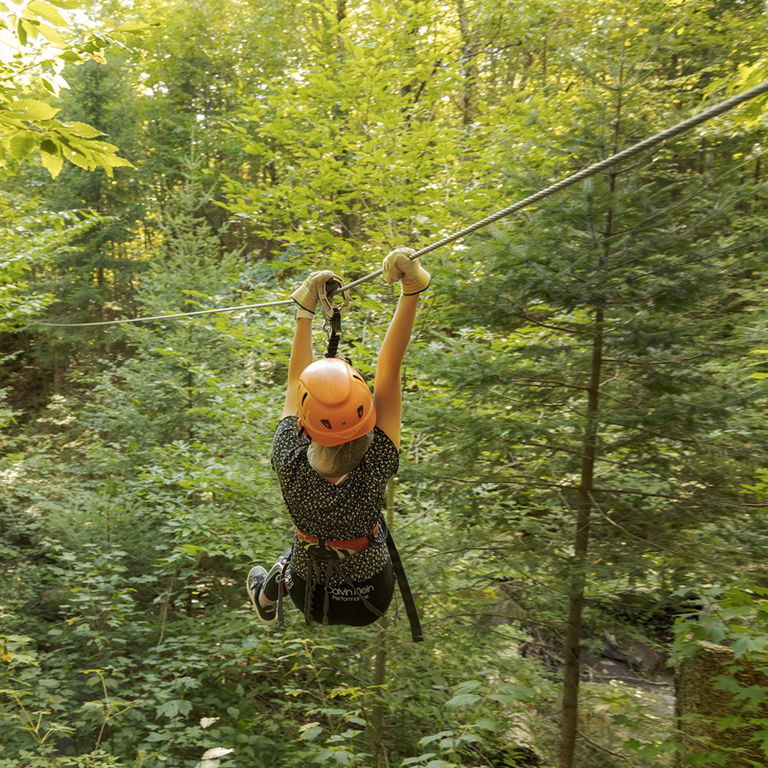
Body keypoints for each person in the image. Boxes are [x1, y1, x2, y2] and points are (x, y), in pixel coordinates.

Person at [246, 247, 430, 628]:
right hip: (369, 598)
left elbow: (297, 379)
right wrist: (412, 285)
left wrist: (304, 311)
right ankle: (273, 584)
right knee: (321, 534)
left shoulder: (289, 455)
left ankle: (270, 590)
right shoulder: (376, 457)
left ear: (303, 425)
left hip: (309, 595)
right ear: (366, 417)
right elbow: (388, 367)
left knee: (309, 538)